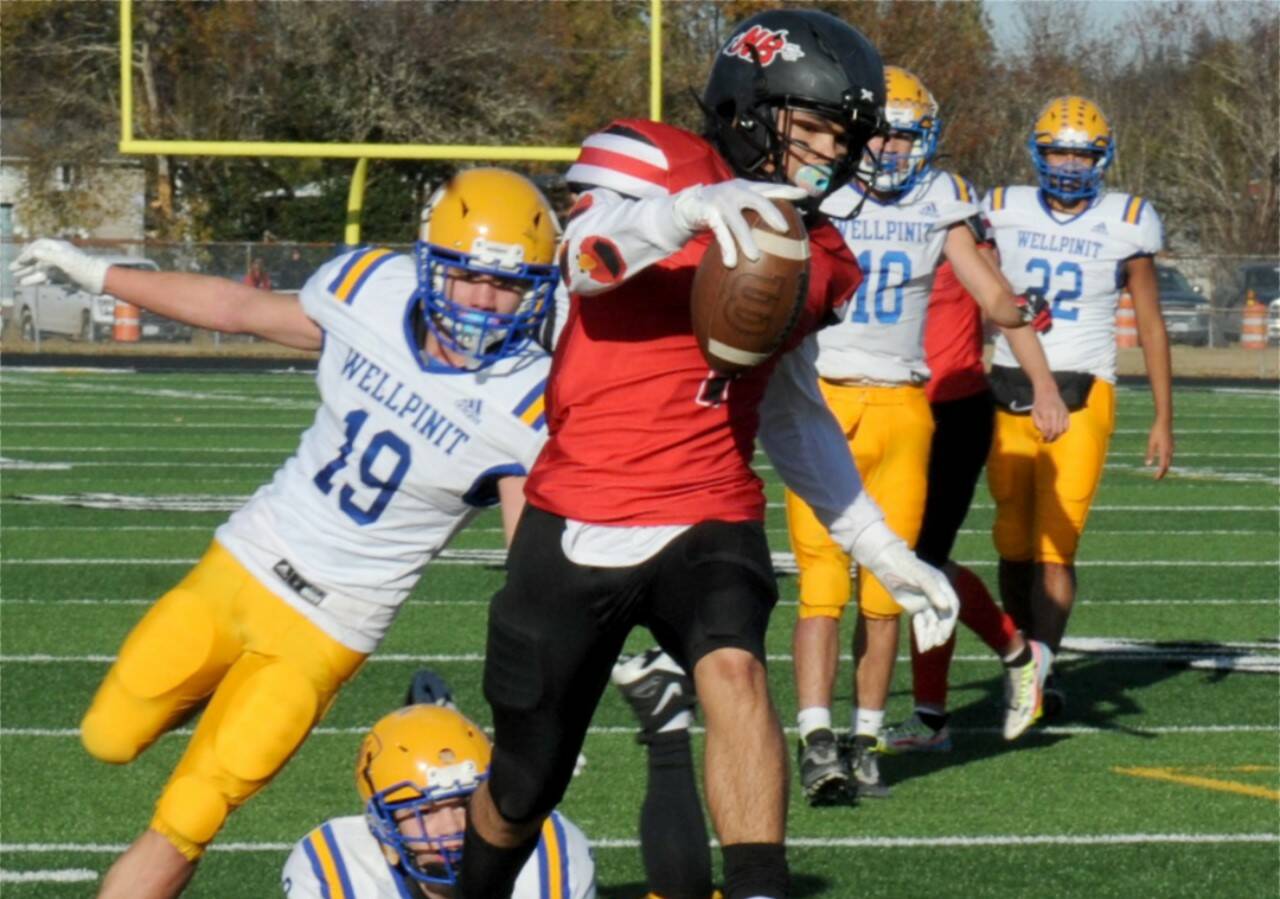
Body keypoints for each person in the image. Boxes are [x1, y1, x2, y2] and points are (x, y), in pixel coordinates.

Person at [456, 12, 959, 899]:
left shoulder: (823, 249)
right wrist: (690, 209)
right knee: (521, 785)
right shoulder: (649, 160)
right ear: (749, 109)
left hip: (711, 504)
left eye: (843, 139)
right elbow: (580, 262)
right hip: (583, 506)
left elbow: (796, 413)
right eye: (813, 131)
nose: (831, 157)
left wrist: (881, 548)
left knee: (733, 666)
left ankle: (758, 888)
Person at [9, 168, 561, 899]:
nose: (486, 302)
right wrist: (99, 272)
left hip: (332, 623)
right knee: (107, 734)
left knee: (189, 813)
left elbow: (531, 567)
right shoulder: (370, 290)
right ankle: (215, 692)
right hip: (247, 557)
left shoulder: (529, 397)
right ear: (431, 264)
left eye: (510, 285)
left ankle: (224, 745)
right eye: (468, 278)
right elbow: (236, 306)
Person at [786, 66, 1068, 803]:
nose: (892, 147)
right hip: (823, 401)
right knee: (821, 588)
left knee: (891, 586)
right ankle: (818, 737)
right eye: (880, 131)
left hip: (907, 408)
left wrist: (1023, 324)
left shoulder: (942, 198)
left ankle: (867, 736)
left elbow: (992, 294)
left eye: (906, 134)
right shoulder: (818, 186)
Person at [982, 96, 1173, 713]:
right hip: (1008, 380)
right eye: (1060, 150)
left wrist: (1164, 416)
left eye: (1082, 153)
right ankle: (1023, 658)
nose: (1069, 163)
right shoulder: (1000, 210)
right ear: (1038, 152)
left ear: (1102, 158)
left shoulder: (1128, 220)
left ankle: (1044, 668)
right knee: (1011, 538)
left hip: (1085, 385)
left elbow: (1149, 322)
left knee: (1055, 542)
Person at [879, 262, 1055, 754]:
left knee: (921, 561)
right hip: (883, 405)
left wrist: (1043, 386)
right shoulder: (861, 215)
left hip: (950, 410)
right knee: (891, 557)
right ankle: (1011, 659)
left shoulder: (949, 218)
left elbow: (1005, 304)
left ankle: (949, 703)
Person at [281, 703, 595, 898]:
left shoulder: (549, 845)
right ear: (380, 824)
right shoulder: (336, 864)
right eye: (425, 811)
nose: (452, 827)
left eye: (462, 803)